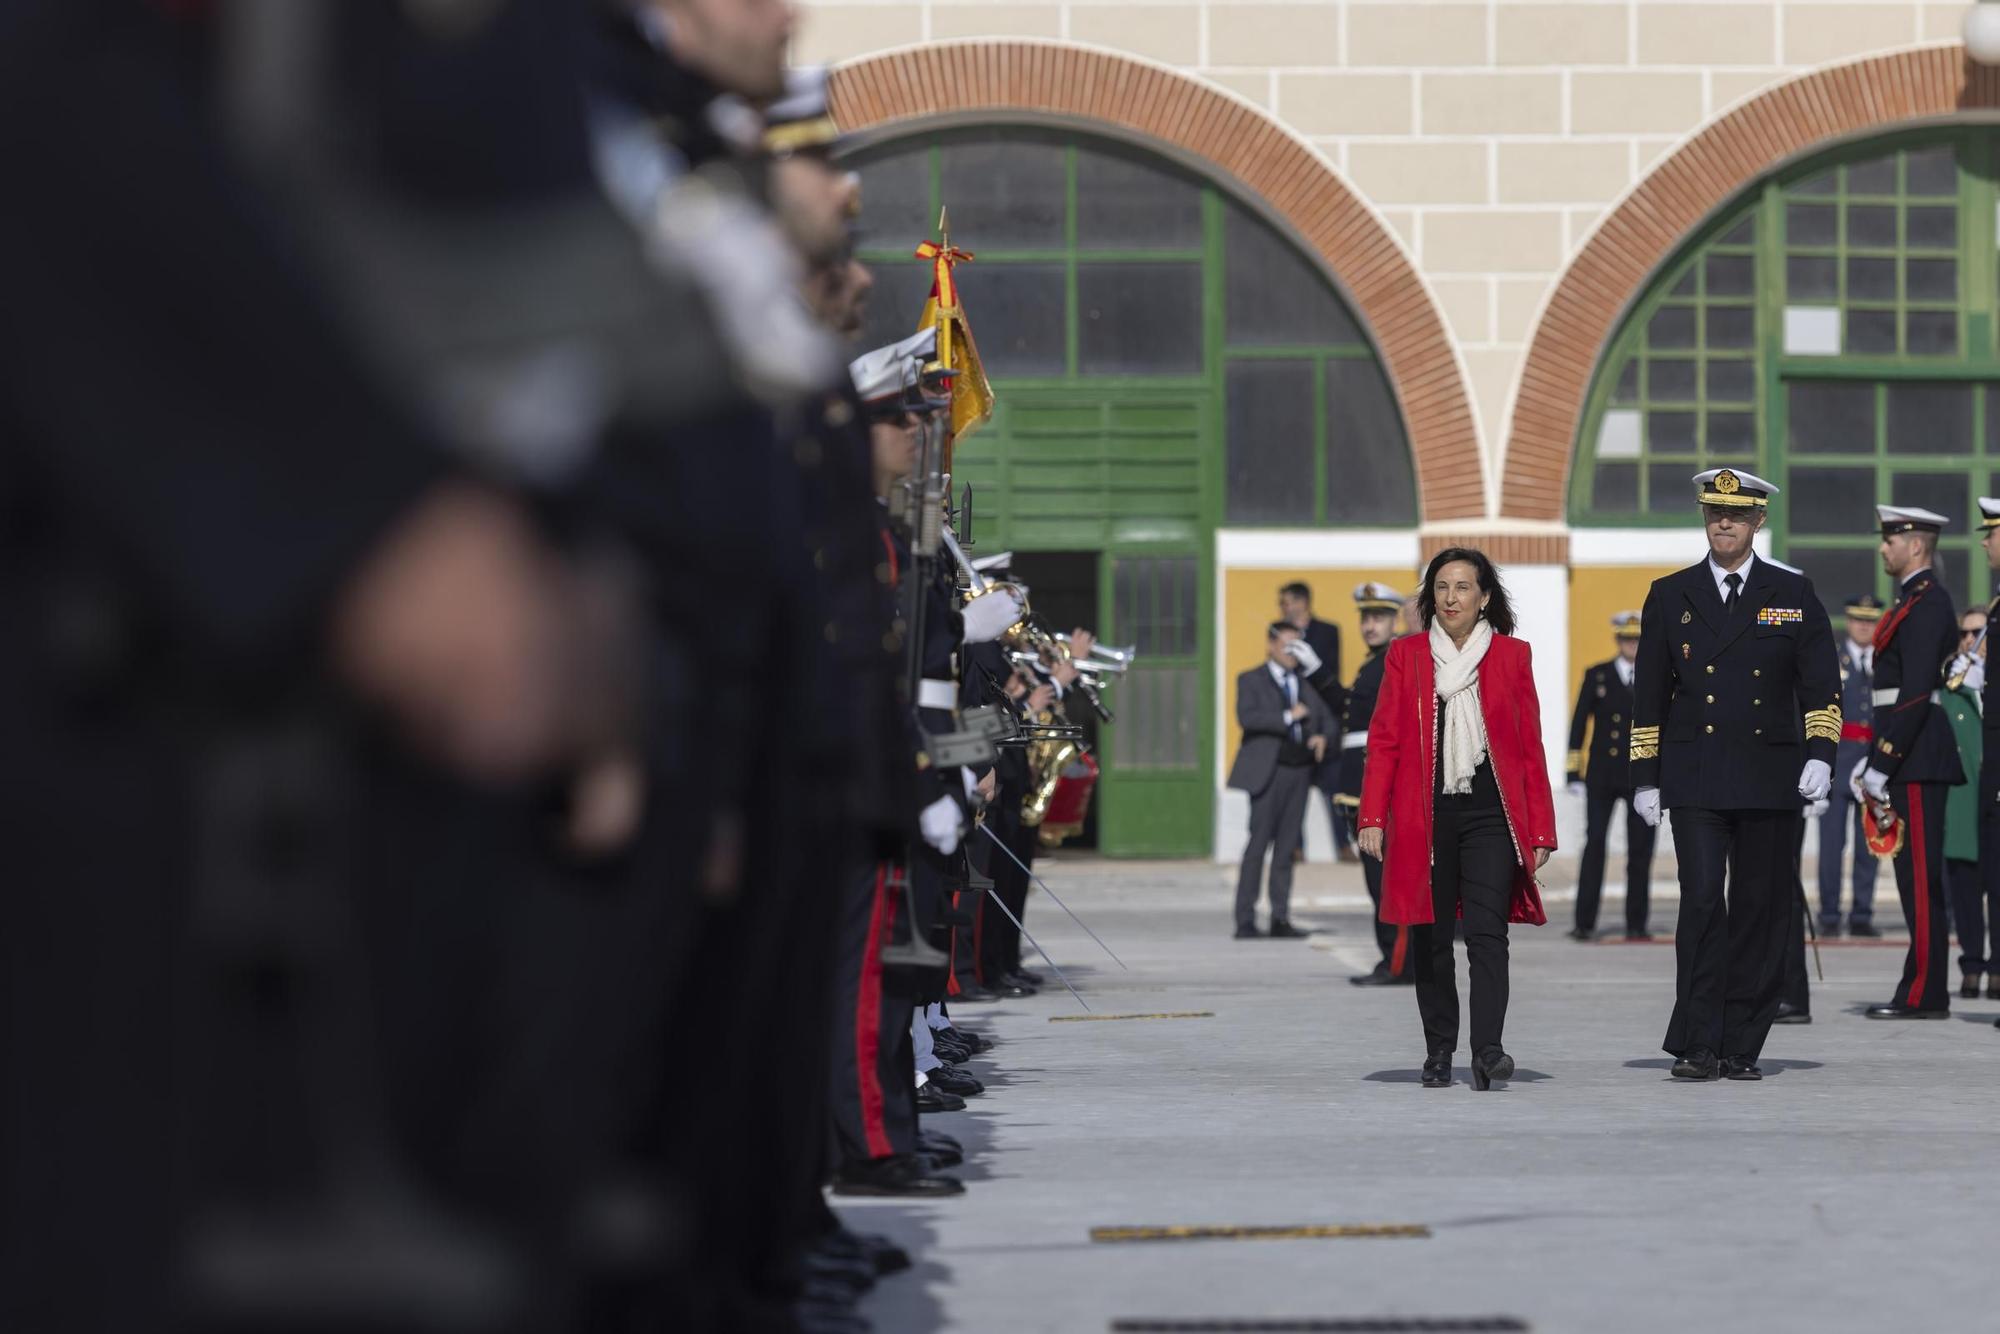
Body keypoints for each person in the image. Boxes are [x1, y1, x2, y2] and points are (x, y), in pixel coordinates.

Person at [1629, 469, 1840, 1081]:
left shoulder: (1792, 592)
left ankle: (1742, 1043)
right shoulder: (1670, 594)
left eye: (1737, 514)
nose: (1724, 522)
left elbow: (1821, 686)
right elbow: (1649, 695)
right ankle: (1698, 1041)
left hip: (1770, 775)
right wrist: (1645, 774)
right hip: (1695, 775)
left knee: (1761, 908)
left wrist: (1821, 756)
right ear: (1704, 517)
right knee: (1699, 903)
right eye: (1715, 512)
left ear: (1758, 521)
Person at [1356, 548, 1556, 1091]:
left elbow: (1529, 747)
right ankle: (1439, 1049)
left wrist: (1540, 830)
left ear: (1484, 596)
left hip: (1491, 816)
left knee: (1489, 936)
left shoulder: (1513, 656)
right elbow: (1386, 740)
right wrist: (1373, 815)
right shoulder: (1407, 655)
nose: (1451, 598)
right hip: (1426, 817)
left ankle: (1489, 1049)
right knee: (1432, 937)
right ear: (1430, 596)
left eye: (1463, 587)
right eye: (1442, 587)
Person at [1856, 506, 1965, 1020]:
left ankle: (1926, 993)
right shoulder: (1913, 600)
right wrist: (1872, 758)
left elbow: (1915, 692)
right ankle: (1917, 986)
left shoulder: (1928, 603)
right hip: (1905, 750)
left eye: (1890, 541)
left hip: (1916, 755)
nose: (1883, 549)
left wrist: (1882, 761)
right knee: (1911, 879)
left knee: (1921, 880)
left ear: (1915, 546)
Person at [1228, 622, 1335, 939]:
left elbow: (1329, 718)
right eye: (1288, 647)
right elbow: (1248, 717)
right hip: (1268, 771)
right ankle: (1245, 919)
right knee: (1257, 846)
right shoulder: (1250, 679)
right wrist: (1289, 716)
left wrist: (1322, 737)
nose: (1293, 654)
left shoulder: (1306, 683)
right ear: (1272, 645)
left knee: (1287, 847)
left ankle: (1280, 917)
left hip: (1299, 772)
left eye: (1297, 647)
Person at [1564, 611, 1658, 941]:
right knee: (1595, 847)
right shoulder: (1598, 675)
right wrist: (1573, 771)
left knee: (1641, 852)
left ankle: (1637, 923)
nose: (1631, 645)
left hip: (1641, 775)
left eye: (1636, 639)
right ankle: (1584, 922)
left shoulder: (1655, 675)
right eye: (1626, 639)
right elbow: (1579, 724)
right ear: (1617, 640)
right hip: (1602, 774)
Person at [1338, 583, 1413, 986]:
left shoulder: (1392, 660)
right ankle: (1396, 959)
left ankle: (1399, 962)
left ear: (1393, 620)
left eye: (1378, 618)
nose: (1370, 625)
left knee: (1386, 883)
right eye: (1365, 618)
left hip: (1377, 787)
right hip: (1360, 784)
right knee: (1377, 883)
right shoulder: (1374, 662)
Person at [1819, 593, 1886, 938]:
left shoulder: (1886, 661)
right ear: (1848, 621)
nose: (1864, 626)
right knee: (1831, 845)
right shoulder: (1833, 658)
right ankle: (1829, 912)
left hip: (1872, 764)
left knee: (1868, 845)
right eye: (1858, 619)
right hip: (1837, 760)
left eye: (1870, 620)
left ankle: (1862, 912)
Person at [1279, 581, 1353, 863]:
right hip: (1295, 720)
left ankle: (1343, 845)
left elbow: (1330, 679)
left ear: (1302, 603)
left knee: (1333, 787)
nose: (1284, 609)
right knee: (1294, 789)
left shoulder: (1326, 632)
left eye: (1286, 603)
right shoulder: (1281, 633)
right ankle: (1296, 846)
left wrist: (1324, 730)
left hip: (1324, 718)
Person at [1942, 607, 1989, 999]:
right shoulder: (1951, 687)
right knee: (1966, 893)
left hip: (1994, 800)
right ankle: (1972, 966)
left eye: (1978, 632)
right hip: (1963, 804)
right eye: (1964, 633)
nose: (1970, 640)